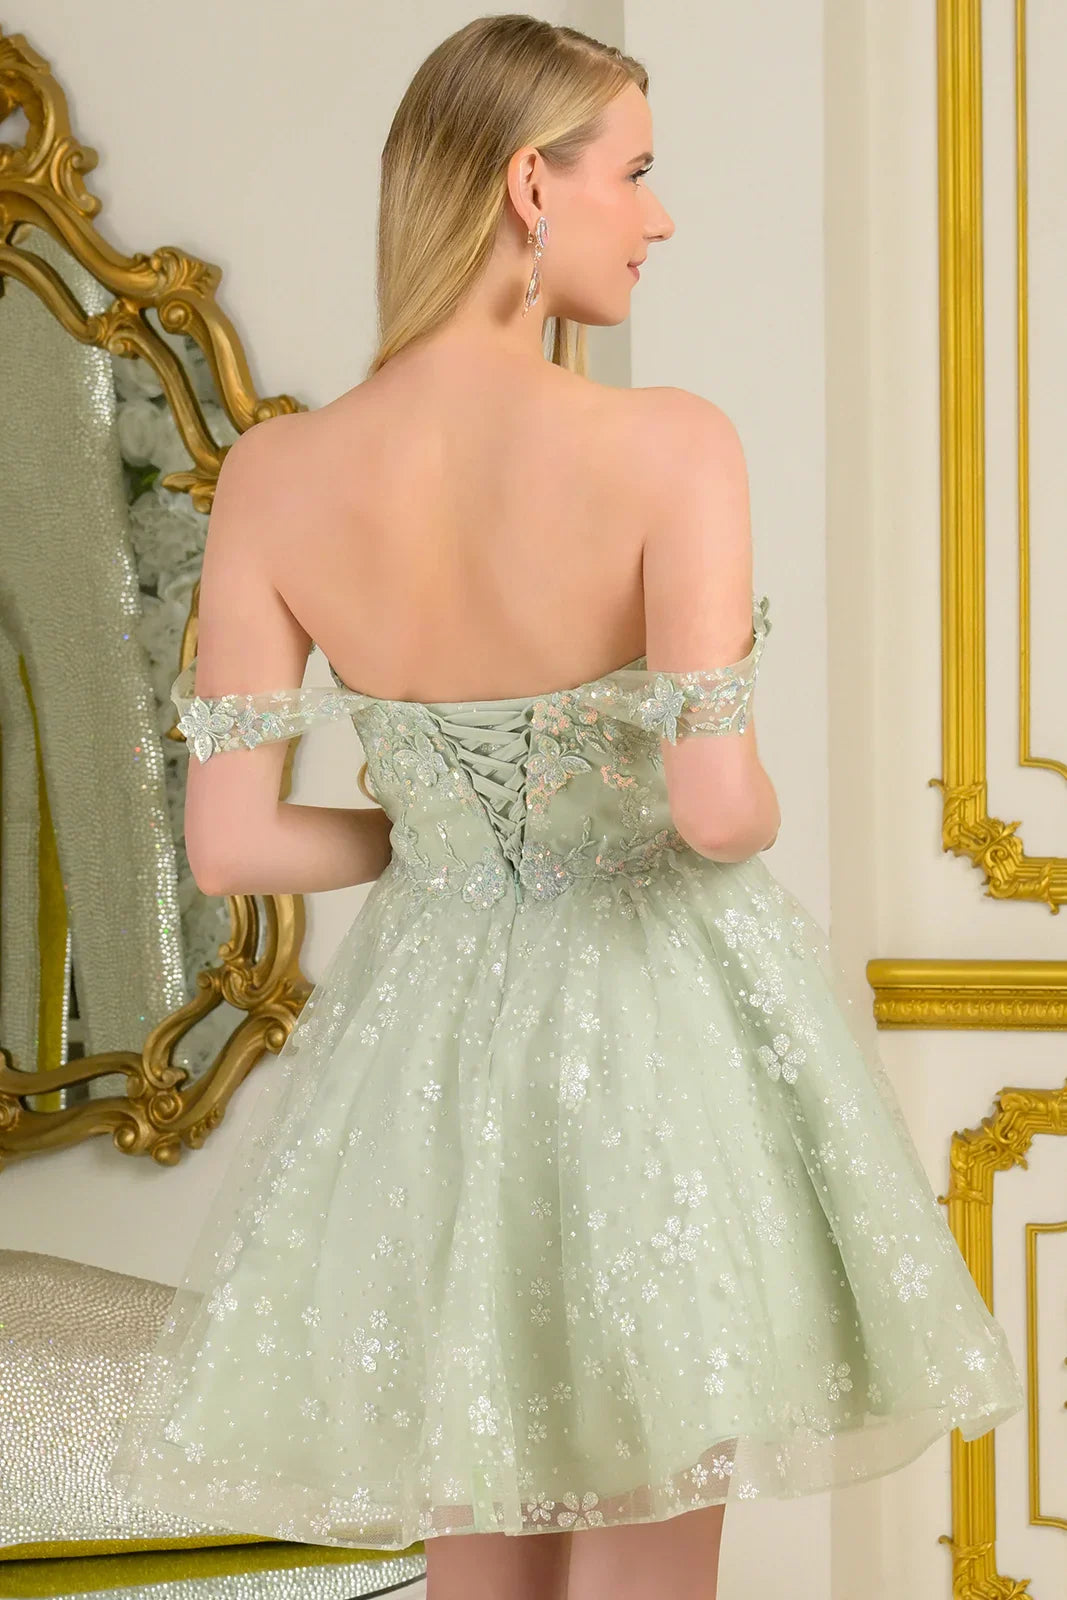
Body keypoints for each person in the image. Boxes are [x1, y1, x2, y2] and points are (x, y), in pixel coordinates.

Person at [106, 15, 1025, 1600]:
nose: (660, 216)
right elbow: (720, 812)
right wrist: (734, 793)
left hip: (433, 1044)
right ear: (533, 186)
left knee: (481, 1512)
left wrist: (437, 838)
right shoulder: (670, 444)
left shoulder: (274, 474)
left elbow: (233, 844)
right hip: (652, 1020)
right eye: (638, 173)